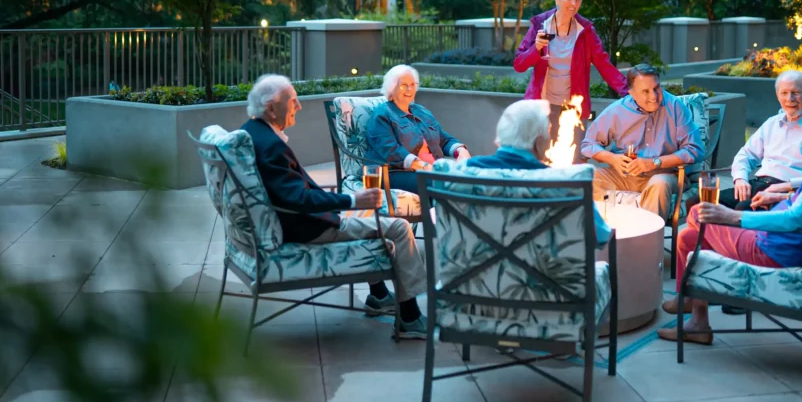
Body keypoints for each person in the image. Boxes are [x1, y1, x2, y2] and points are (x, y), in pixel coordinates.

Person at [658, 90, 802, 345]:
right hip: (793, 241)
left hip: (777, 249)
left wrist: (733, 217)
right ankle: (696, 315)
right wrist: (778, 196)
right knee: (689, 237)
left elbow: (795, 219)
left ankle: (693, 304)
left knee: (696, 215)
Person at [241, 74, 429, 339]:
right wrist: (352, 200)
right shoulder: (271, 146)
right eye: (293, 101)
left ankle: (378, 296)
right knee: (398, 227)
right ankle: (410, 316)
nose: (299, 106)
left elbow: (291, 193)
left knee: (368, 223)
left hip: (293, 221)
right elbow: (299, 200)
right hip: (306, 227)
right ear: (271, 108)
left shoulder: (252, 132)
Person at [466, 99, 612, 243]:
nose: (550, 139)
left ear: (500, 134)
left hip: (480, 264)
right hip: (545, 266)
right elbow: (601, 236)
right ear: (538, 141)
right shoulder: (567, 184)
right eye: (548, 132)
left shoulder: (468, 171)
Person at [513, 0, 629, 153]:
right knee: (541, 159)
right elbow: (519, 64)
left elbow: (603, 63)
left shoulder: (586, 30)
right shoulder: (540, 25)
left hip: (573, 107)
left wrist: (628, 92)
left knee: (572, 160)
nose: (574, 4)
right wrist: (536, 48)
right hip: (542, 106)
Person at [580, 64, 705, 219]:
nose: (654, 96)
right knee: (587, 179)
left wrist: (654, 162)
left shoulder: (676, 107)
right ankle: (610, 235)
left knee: (659, 184)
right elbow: (588, 144)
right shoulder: (617, 111)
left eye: (657, 88)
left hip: (664, 174)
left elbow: (695, 150)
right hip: (624, 176)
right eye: (645, 91)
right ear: (631, 93)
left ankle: (648, 240)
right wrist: (612, 158)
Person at [721, 70, 802, 210]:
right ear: (777, 96)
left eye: (795, 93)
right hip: (759, 184)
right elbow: (746, 155)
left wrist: (787, 185)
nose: (789, 99)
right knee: (700, 203)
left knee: (743, 209)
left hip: (792, 191)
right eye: (784, 93)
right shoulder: (772, 123)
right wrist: (740, 179)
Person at [367, 64, 470, 193]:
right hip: (396, 173)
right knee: (445, 184)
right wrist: (425, 167)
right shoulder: (382, 115)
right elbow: (390, 151)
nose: (409, 89)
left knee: (471, 176)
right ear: (391, 88)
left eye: (413, 84)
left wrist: (460, 151)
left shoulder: (422, 112)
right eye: (404, 85)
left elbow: (443, 139)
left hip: (431, 169)